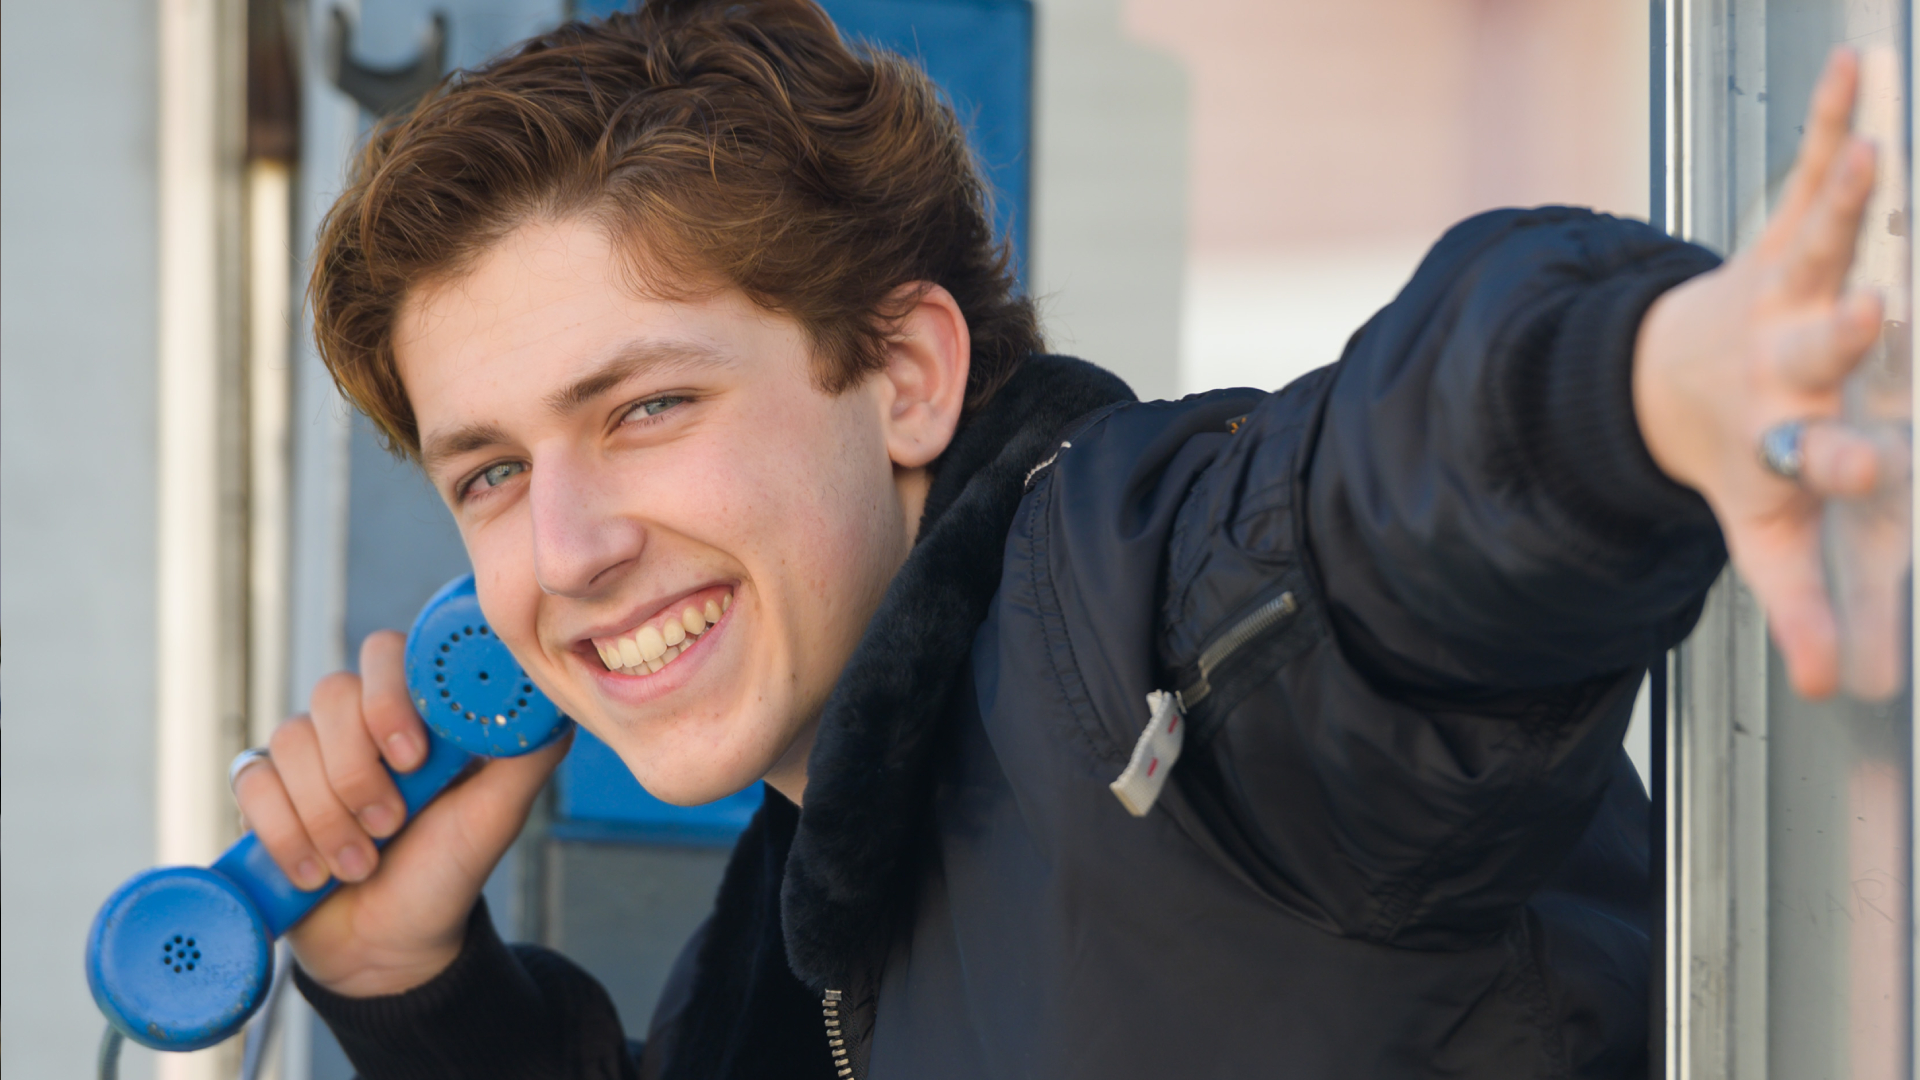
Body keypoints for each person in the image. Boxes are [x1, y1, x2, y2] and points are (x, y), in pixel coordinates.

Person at [229, 2, 1890, 1076]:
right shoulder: (809, 900)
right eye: (491, 475)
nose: (570, 548)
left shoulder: (1129, 613)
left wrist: (1637, 387)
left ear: (906, 375)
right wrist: (415, 989)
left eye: (646, 406)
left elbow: (1385, 490)